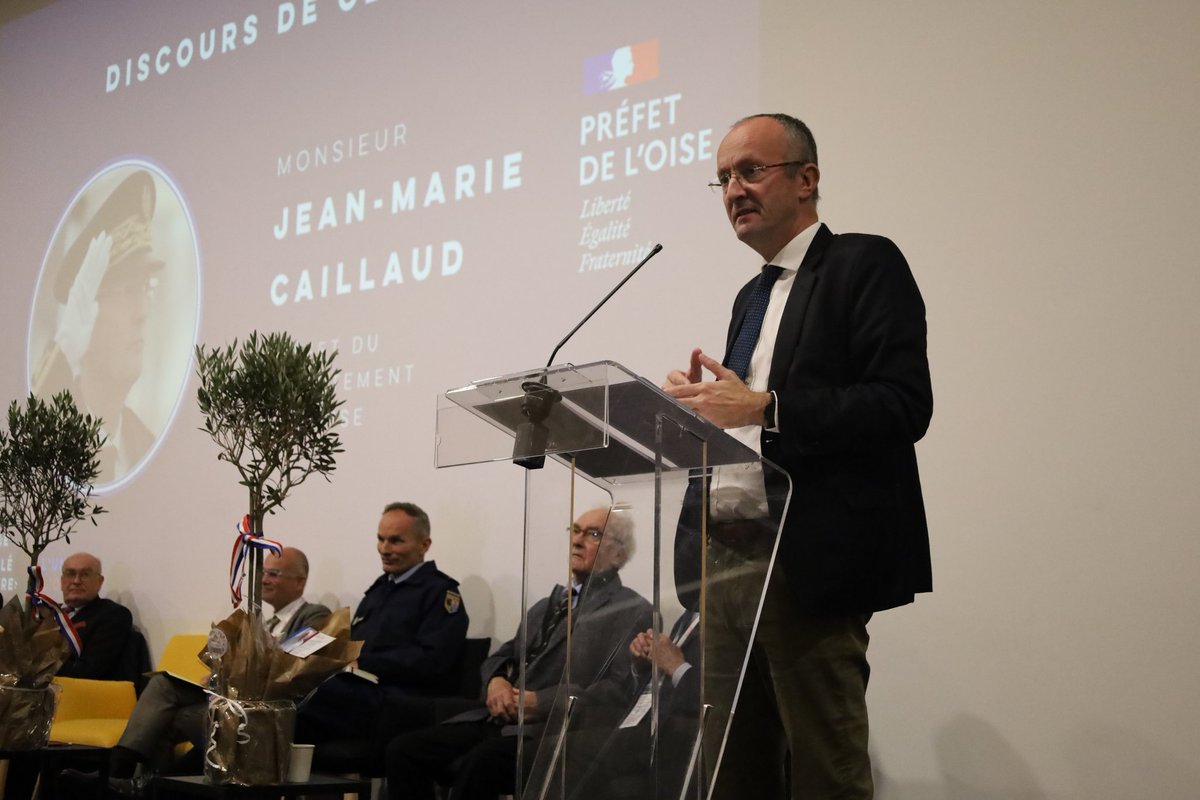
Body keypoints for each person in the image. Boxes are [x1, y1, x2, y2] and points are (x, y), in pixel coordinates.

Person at [662, 113, 933, 799]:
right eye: (723, 178)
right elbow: (747, 424)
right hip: (728, 554)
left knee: (823, 770)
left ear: (806, 179)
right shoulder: (749, 297)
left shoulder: (861, 264)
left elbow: (902, 403)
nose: (733, 190)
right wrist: (698, 412)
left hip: (807, 557)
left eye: (751, 170)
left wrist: (765, 407)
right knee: (735, 770)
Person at [383, 507, 651, 800]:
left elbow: (616, 691)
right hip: (498, 719)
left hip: (550, 731)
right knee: (403, 750)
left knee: (483, 761)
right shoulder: (545, 605)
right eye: (575, 530)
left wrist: (541, 702)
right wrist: (496, 682)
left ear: (619, 555)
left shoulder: (631, 610)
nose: (577, 541)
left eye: (593, 534)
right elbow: (502, 655)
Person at [60, 547, 329, 797]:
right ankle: (127, 776)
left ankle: (133, 783)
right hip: (233, 703)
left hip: (267, 715)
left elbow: (292, 668)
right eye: (262, 572)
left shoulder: (315, 615)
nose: (265, 579)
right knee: (163, 685)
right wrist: (219, 677)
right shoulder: (260, 620)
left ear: (300, 581)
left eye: (274, 573)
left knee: (171, 716)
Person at [295, 502, 469, 749]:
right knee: (290, 696)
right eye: (381, 539)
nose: (385, 549)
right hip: (361, 692)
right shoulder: (379, 590)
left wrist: (363, 660)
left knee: (310, 698)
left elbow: (433, 659)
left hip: (400, 700)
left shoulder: (440, 592)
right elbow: (353, 641)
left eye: (396, 541)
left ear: (424, 545)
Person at [31, 169, 166, 485]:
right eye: (127, 291)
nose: (142, 312)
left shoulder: (147, 446)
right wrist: (62, 352)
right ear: (85, 314)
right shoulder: (51, 440)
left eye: (145, 288)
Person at [56, 552, 136, 681]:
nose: (76, 581)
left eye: (85, 574)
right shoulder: (51, 615)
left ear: (99, 581)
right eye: (70, 574)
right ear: (61, 581)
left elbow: (86, 672)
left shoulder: (113, 615)